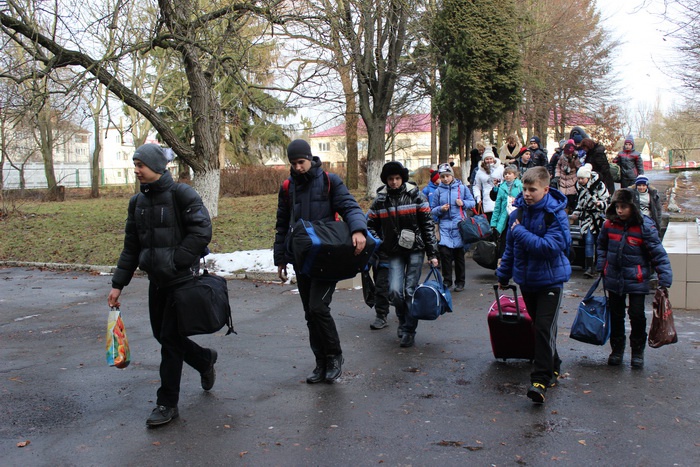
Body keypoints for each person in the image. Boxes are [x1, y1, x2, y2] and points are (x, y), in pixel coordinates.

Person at [107, 143, 214, 427]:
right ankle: (204, 359)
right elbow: (131, 246)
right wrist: (119, 284)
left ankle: (167, 403)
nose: (136, 170)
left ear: (156, 167)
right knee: (163, 336)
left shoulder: (182, 193)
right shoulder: (137, 203)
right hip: (157, 282)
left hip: (181, 280)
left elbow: (202, 231)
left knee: (169, 341)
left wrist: (177, 260)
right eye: (135, 164)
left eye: (140, 165)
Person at [273, 139, 367, 384]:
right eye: (293, 164)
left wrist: (358, 230)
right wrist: (281, 259)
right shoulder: (287, 188)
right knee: (309, 314)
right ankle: (320, 362)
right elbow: (282, 225)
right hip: (300, 259)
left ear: (309, 158)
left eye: (301, 162)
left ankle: (335, 356)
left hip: (327, 256)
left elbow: (350, 206)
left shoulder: (329, 181)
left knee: (318, 308)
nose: (298, 167)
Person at [496, 167, 572, 404]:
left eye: (533, 189)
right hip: (526, 281)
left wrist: (519, 231)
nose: (527, 194)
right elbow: (510, 249)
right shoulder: (516, 214)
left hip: (550, 281)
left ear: (546, 189)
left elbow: (550, 247)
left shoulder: (555, 214)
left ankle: (539, 380)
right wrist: (503, 274)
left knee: (542, 328)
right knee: (541, 329)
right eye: (525, 189)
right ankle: (554, 364)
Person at [366, 161, 439, 348]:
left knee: (409, 291)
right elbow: (369, 225)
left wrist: (432, 253)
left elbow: (427, 225)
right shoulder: (380, 200)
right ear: (386, 180)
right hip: (393, 252)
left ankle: (408, 330)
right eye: (390, 179)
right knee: (395, 291)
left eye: (397, 178)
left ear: (403, 179)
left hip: (415, 250)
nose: (394, 182)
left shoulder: (416, 196)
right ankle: (402, 319)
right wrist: (380, 242)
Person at [597, 188, 672, 369]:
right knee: (616, 315)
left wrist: (665, 277)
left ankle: (637, 351)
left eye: (624, 207)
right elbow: (602, 246)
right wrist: (602, 266)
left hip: (637, 279)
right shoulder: (609, 225)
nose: (620, 211)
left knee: (637, 315)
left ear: (633, 207)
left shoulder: (644, 227)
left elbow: (657, 253)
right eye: (617, 207)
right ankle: (617, 350)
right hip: (614, 277)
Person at [430, 162, 475, 292]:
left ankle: (460, 282)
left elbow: (472, 203)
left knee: (459, 255)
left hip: (459, 225)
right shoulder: (438, 191)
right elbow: (432, 210)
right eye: (442, 176)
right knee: (445, 254)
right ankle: (447, 281)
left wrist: (463, 203)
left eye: (447, 176)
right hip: (444, 226)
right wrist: (440, 209)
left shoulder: (462, 188)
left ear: (452, 175)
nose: (445, 179)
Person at [570, 163, 609, 278]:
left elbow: (607, 201)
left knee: (599, 243)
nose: (580, 180)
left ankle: (599, 266)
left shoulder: (599, 185)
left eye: (582, 178)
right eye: (579, 178)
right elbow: (580, 203)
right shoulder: (580, 187)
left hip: (598, 218)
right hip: (587, 218)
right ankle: (589, 267)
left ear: (588, 177)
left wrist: (599, 204)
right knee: (588, 240)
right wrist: (576, 213)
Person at [490, 165, 523, 259]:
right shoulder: (502, 187)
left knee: (517, 240)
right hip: (504, 218)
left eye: (509, 173)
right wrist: (494, 222)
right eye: (505, 174)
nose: (507, 176)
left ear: (515, 175)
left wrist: (516, 201)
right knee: (504, 241)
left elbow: (524, 200)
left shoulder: (520, 186)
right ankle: (502, 263)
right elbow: (497, 206)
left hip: (517, 217)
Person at [472, 147, 504, 222]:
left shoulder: (500, 168)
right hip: (486, 199)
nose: (489, 161)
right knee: (489, 221)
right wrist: (478, 197)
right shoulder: (480, 171)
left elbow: (504, 181)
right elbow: (476, 185)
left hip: (499, 196)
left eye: (490, 158)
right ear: (484, 160)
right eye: (487, 159)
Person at [556, 139, 581, 213]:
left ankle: (571, 210)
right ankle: (565, 210)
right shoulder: (562, 157)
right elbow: (558, 166)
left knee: (572, 197)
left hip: (572, 179)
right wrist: (557, 175)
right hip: (563, 179)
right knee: (563, 197)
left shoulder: (576, 158)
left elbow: (578, 168)